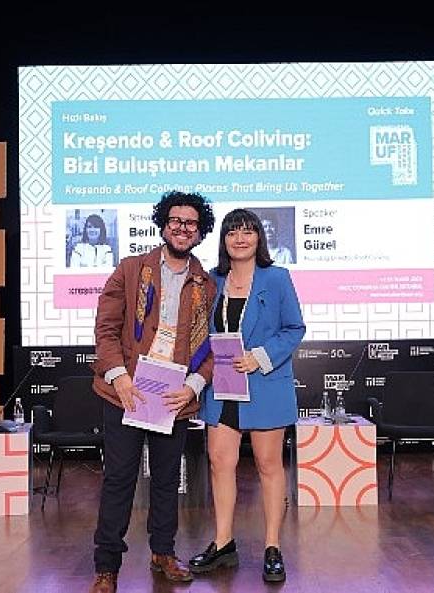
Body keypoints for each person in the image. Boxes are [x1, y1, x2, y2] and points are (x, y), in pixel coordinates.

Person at [88, 191, 217, 593]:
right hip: (125, 392)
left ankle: (163, 553)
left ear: (200, 233)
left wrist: (193, 385)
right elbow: (106, 330)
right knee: (119, 480)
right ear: (163, 225)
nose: (182, 228)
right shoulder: (130, 269)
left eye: (191, 223)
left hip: (173, 397)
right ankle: (107, 567)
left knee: (166, 481)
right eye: (175, 220)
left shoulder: (208, 285)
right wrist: (120, 378)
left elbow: (214, 346)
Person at [189, 208, 305, 583]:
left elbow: (294, 328)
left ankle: (272, 546)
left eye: (247, 231)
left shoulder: (277, 278)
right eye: (232, 232)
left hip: (264, 384)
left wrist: (260, 357)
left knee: (268, 465)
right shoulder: (212, 280)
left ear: (259, 238)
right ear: (223, 240)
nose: (240, 238)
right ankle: (223, 543)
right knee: (219, 462)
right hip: (222, 386)